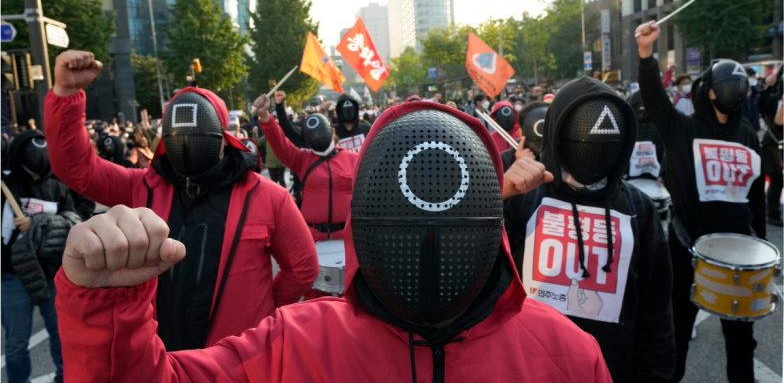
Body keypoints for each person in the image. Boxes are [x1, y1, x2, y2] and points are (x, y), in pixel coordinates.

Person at [54, 102, 613, 383]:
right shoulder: (291, 347)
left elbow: (297, 268)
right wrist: (107, 310)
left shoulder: (567, 355)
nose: (426, 242)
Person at [44, 50, 318, 350]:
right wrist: (67, 95)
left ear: (223, 138)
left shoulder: (267, 196)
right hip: (160, 357)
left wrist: (263, 311)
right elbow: (77, 168)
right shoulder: (144, 187)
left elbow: (303, 267)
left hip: (236, 363)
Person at [502, 76, 676, 382]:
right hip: (528, 370)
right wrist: (497, 194)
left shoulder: (639, 210)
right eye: (580, 138)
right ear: (559, 133)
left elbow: (656, 312)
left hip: (611, 370)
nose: (592, 150)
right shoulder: (522, 199)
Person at [635, 21, 766, 383]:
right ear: (710, 92)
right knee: (676, 335)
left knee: (741, 341)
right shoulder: (683, 129)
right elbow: (655, 100)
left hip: (739, 254)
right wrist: (646, 55)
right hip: (686, 247)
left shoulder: (747, 137)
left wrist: (762, 246)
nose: (736, 91)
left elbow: (755, 199)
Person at [2, 131, 81, 383]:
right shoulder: (7, 187)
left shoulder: (58, 186)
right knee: (16, 343)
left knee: (61, 335)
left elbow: (75, 220)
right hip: (13, 276)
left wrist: (38, 222)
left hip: (51, 274)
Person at [253, 91, 358, 244]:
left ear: (332, 132)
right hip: (313, 237)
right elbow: (280, 143)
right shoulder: (303, 160)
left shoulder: (353, 159)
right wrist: (265, 116)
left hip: (349, 238)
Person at [758, 67, 783, 226]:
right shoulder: (773, 97)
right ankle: (772, 213)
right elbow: (779, 121)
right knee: (777, 179)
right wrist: (767, 85)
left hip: (776, 143)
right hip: (773, 143)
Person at [625, 90, 665, 181]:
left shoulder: (661, 127)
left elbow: (667, 154)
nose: (641, 109)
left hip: (657, 181)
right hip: (629, 181)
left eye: (644, 106)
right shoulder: (626, 127)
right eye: (637, 106)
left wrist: (663, 174)